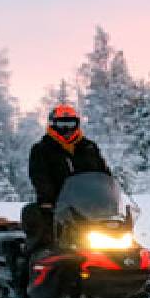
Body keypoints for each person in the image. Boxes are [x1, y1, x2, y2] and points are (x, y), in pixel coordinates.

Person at [22, 103, 109, 252]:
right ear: (53, 125)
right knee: (47, 236)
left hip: (89, 204)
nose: (67, 129)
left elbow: (102, 172)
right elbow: (39, 175)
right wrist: (47, 198)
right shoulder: (42, 149)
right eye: (62, 124)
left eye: (71, 124)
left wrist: (107, 191)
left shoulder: (88, 147)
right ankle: (41, 263)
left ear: (77, 124)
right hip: (57, 204)